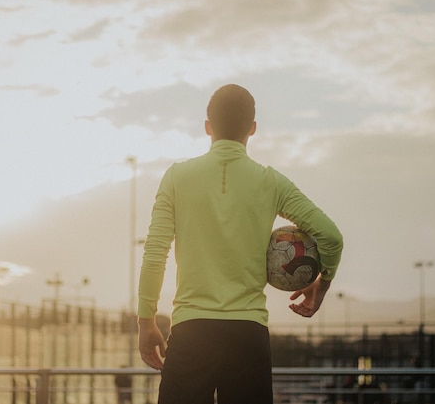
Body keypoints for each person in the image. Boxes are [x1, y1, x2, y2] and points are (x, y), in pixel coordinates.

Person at [137, 84, 344, 404]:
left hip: (192, 332)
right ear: (252, 128)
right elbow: (330, 236)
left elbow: (154, 254)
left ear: (207, 127)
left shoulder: (177, 177)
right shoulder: (271, 182)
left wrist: (146, 320)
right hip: (248, 335)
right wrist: (323, 283)